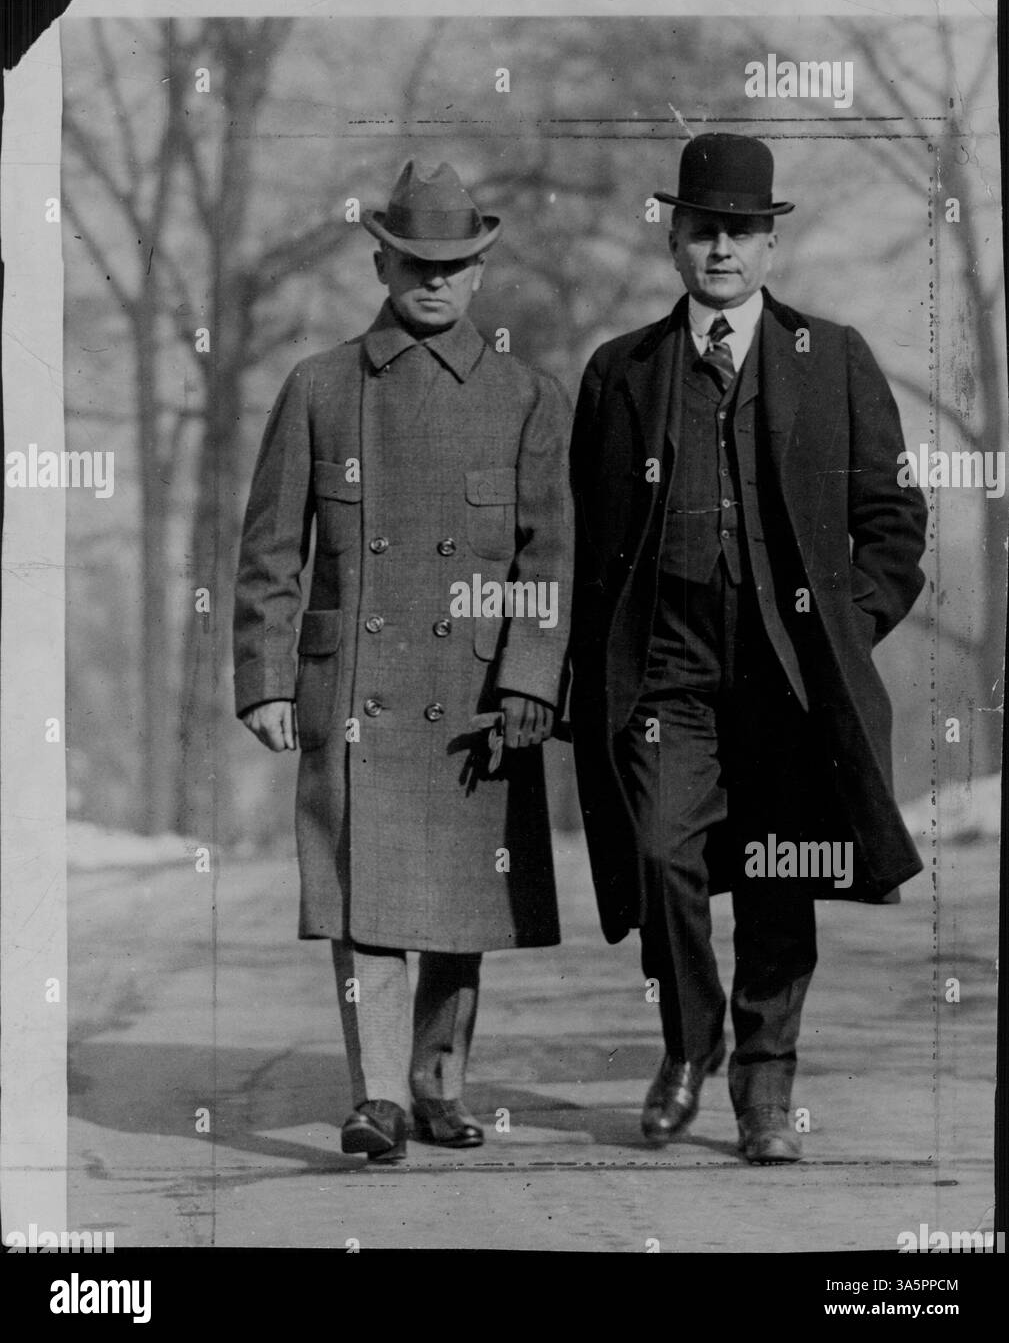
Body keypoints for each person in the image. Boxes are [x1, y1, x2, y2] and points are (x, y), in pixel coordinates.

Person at [568, 133, 927, 1164]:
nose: (720, 248)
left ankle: (764, 1093)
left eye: (740, 231)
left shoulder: (834, 358)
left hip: (789, 680)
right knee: (658, 852)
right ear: (673, 241)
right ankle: (689, 1043)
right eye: (701, 229)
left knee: (778, 876)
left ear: (769, 246)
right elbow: (590, 544)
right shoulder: (621, 371)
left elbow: (892, 524)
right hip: (663, 674)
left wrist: (840, 636)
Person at [233, 160, 573, 1162]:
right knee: (368, 899)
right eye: (416, 260)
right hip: (356, 696)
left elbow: (546, 560)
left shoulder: (527, 397)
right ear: (380, 258)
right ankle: (377, 1096)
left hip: (472, 697)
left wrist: (525, 680)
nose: (435, 279)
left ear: (480, 268)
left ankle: (438, 1085)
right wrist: (265, 679)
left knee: (460, 901)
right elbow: (268, 553)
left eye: (456, 263)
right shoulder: (319, 388)